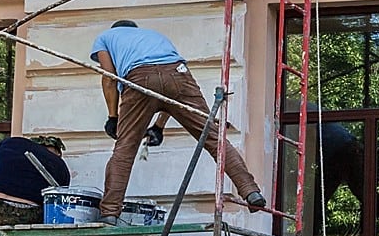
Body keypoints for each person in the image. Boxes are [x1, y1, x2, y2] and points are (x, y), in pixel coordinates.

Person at [91, 20, 268, 221]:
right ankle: (251, 191)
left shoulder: (105, 38)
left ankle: (110, 213)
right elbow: (168, 94)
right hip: (178, 75)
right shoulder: (155, 37)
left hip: (138, 78)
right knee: (213, 138)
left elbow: (109, 77)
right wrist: (158, 127)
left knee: (125, 149)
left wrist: (113, 117)